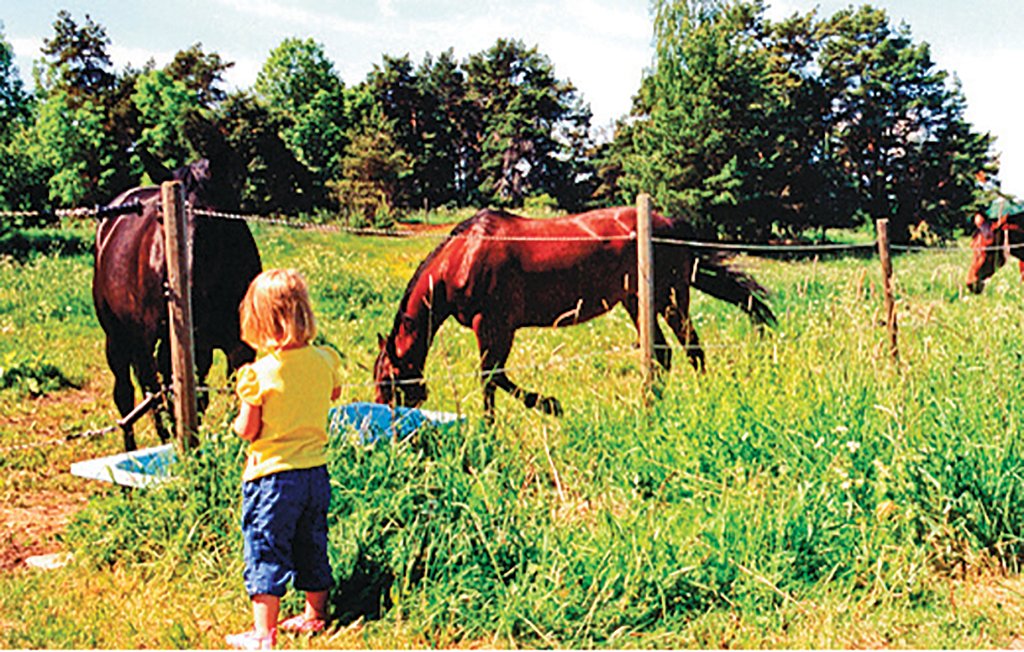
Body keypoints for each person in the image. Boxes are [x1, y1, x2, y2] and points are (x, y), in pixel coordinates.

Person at [225, 268, 343, 650]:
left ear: (260, 320)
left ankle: (263, 634)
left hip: (271, 478)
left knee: (266, 546)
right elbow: (334, 393)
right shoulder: (326, 359)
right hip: (315, 473)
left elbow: (249, 429)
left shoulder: (257, 375)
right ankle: (316, 614)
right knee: (312, 540)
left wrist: (239, 420)